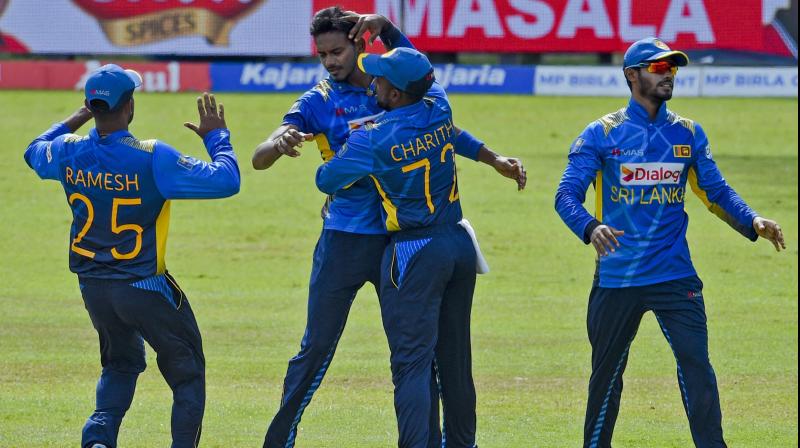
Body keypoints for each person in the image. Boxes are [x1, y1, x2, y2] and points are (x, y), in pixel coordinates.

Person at [253, 8, 525, 448]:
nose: (329, 62)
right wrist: (280, 141)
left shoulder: (390, 96)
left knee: (421, 356)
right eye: (321, 54)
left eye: (337, 51)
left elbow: (435, 112)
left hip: (398, 245)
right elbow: (260, 157)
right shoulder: (320, 99)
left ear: (361, 44)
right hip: (345, 239)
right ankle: (279, 440)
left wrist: (490, 158)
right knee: (316, 349)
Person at [554, 37, 786, 448]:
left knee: (697, 366)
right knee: (606, 377)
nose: (668, 76)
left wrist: (752, 220)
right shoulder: (602, 133)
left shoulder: (688, 133)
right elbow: (566, 196)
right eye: (658, 68)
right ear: (631, 75)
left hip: (675, 275)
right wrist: (591, 228)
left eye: (672, 69)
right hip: (617, 277)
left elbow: (716, 192)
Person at [24, 64, 240, 448]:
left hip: (93, 286)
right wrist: (217, 137)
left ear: (92, 106)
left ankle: (98, 439)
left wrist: (78, 116)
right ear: (130, 106)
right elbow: (227, 180)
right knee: (187, 372)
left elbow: (32, 151)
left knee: (120, 364)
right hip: (145, 285)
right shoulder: (152, 157)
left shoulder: (66, 151)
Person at [316, 46, 487, 448]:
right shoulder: (439, 106)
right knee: (456, 362)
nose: (371, 81)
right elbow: (424, 72)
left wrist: (346, 144)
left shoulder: (372, 138)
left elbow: (326, 179)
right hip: (458, 242)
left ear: (394, 95)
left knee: (410, 367)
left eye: (379, 79)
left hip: (414, 250)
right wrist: (387, 30)